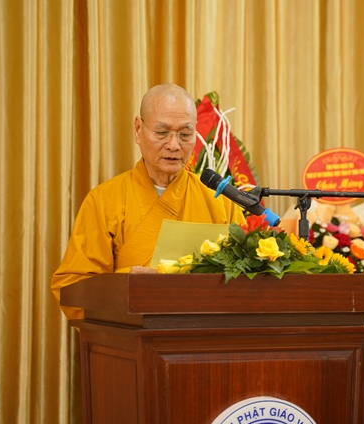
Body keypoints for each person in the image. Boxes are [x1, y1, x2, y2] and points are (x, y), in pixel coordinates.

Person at [51, 83, 247, 320]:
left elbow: (245, 277)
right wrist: (129, 282)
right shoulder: (103, 200)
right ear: (138, 129)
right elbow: (71, 286)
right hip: (128, 333)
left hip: (203, 332)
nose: (174, 145)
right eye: (162, 133)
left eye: (185, 134)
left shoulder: (220, 201)